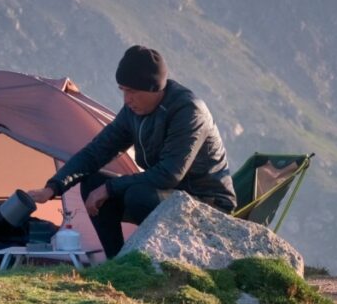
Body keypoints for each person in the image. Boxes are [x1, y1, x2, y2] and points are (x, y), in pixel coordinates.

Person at [26, 45, 236, 258]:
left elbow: (169, 174)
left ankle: (161, 260)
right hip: (168, 195)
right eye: (123, 90)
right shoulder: (133, 112)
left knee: (138, 195)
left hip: (208, 202)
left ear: (154, 88)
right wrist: (53, 187)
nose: (127, 99)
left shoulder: (188, 111)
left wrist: (110, 188)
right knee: (92, 184)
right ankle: (118, 261)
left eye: (133, 91)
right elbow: (95, 152)